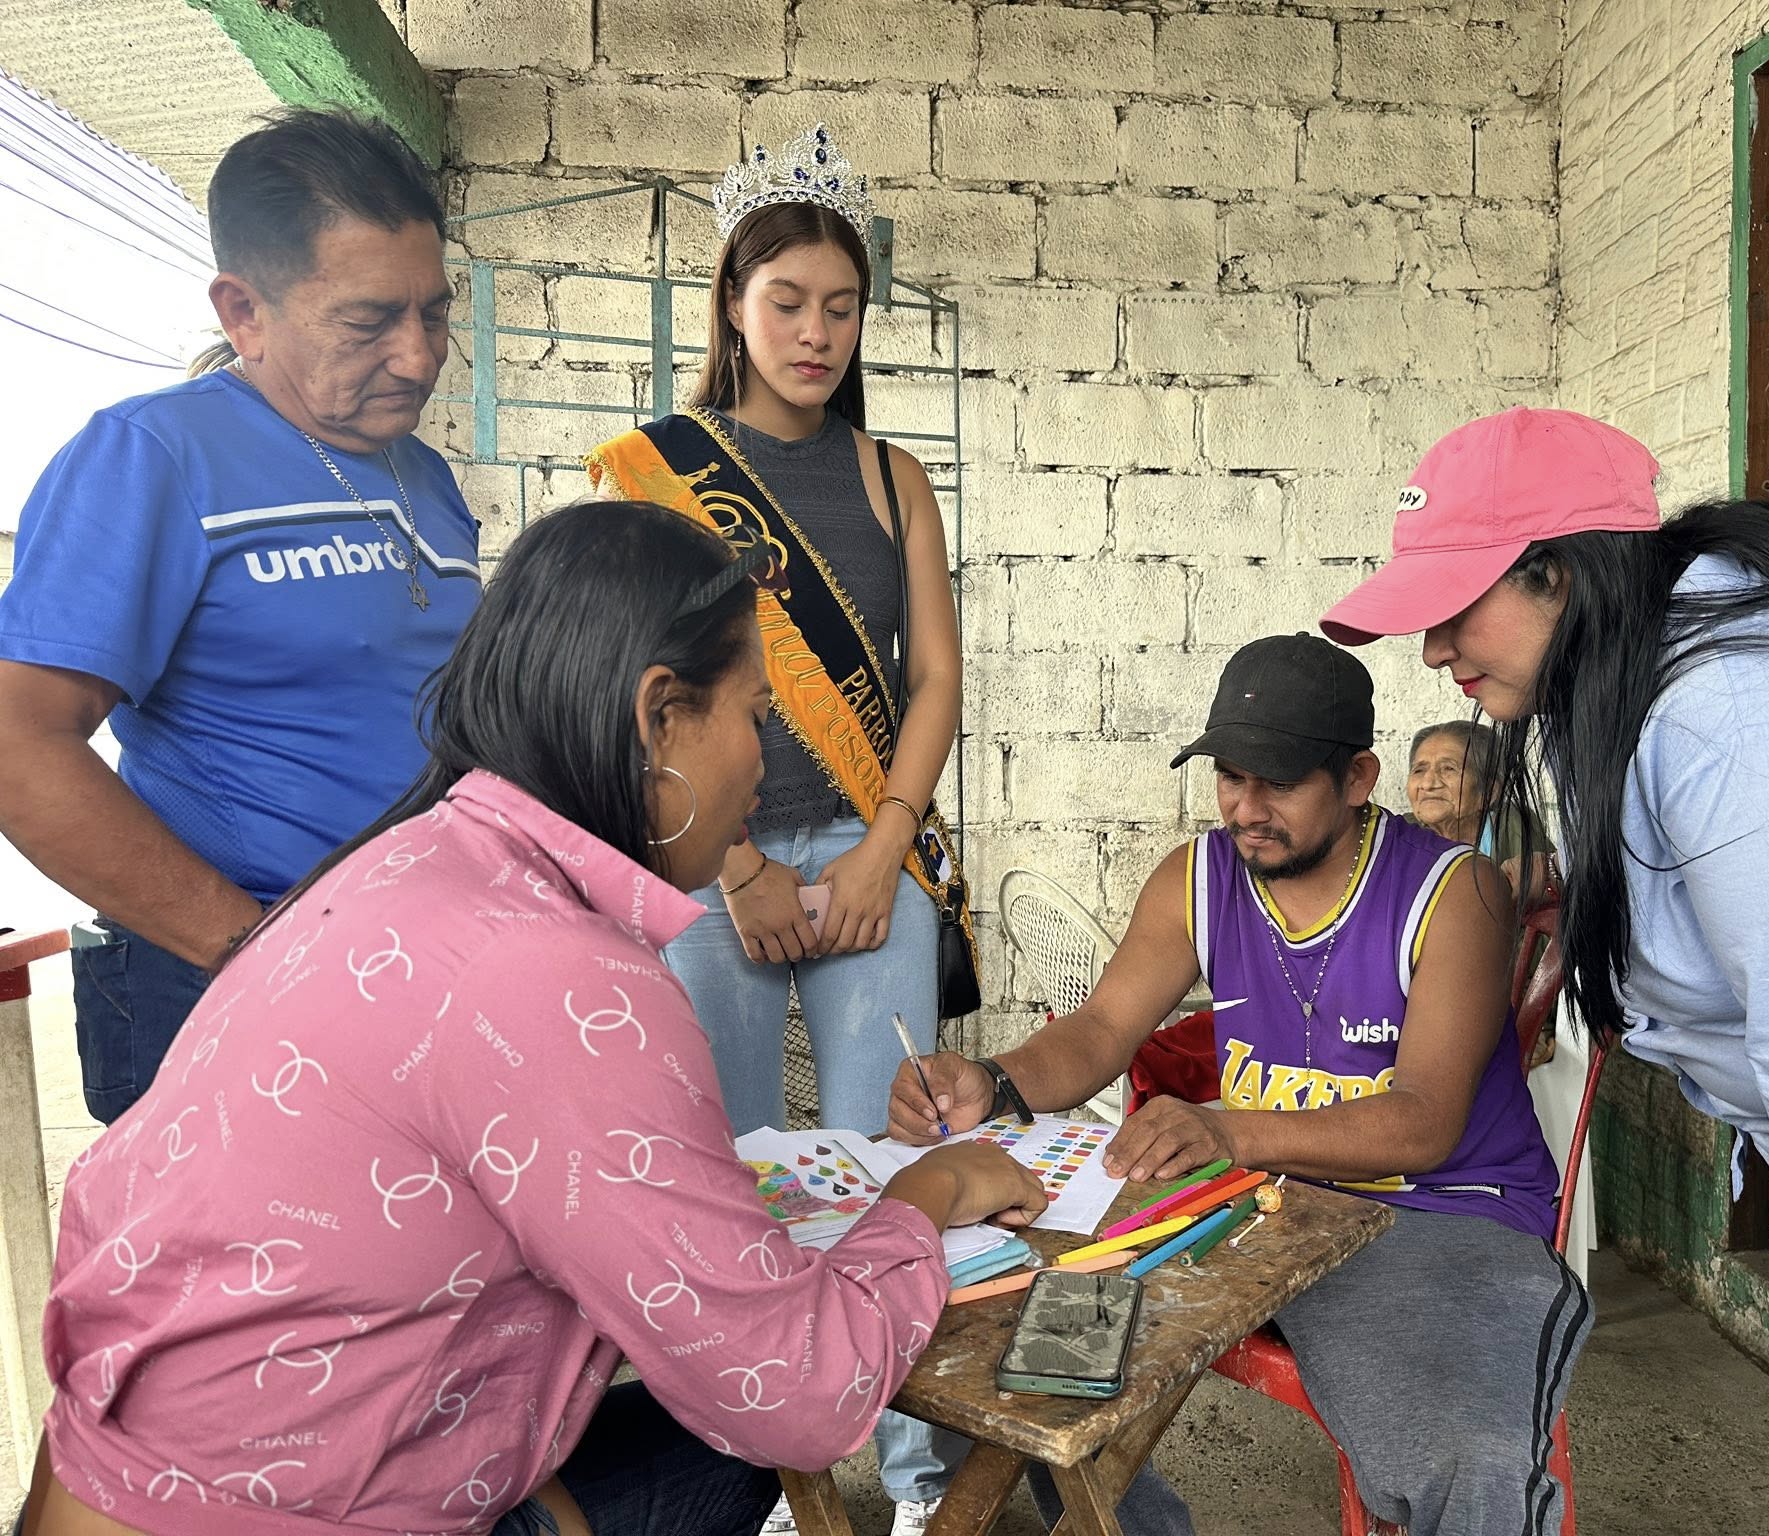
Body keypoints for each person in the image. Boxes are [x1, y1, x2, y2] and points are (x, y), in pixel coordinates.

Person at [17, 500, 1044, 1536]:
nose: (764, 763)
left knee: (702, 1454)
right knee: (736, 1446)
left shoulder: (401, 858)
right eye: (756, 717)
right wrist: (929, 1192)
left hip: (115, 1464)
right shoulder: (567, 976)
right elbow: (794, 1391)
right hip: (259, 1510)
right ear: (659, 715)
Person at [1321, 404, 1769, 1536]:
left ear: (1562, 573)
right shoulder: (1634, 673)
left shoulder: (1748, 711)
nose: (1431, 650)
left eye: (1453, 607)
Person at [889, 633, 1589, 1536]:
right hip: (1261, 1202)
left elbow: (1423, 1123)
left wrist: (1226, 1131)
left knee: (1461, 1457)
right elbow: (1102, 1029)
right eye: (1230, 777)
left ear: (1358, 778)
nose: (1246, 810)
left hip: (1438, 1211)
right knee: (1031, 1344)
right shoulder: (1199, 877)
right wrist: (991, 1080)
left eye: (1279, 783)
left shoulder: (1454, 892)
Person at [586, 124, 974, 1536]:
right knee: (727, 1179)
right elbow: (633, 690)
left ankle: (930, 1477)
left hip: (875, 858)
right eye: (788, 301)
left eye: (842, 307)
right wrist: (740, 866)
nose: (816, 333)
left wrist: (881, 848)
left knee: (899, 1169)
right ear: (732, 306)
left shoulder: (892, 475)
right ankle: (754, 1478)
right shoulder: (653, 473)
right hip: (710, 869)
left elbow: (934, 679)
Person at [0, 109, 479, 1125]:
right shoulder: (154, 458)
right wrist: (252, 946)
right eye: (368, 321)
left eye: (434, 314)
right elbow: (16, 741)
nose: (417, 357)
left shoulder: (426, 478)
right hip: (223, 978)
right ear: (244, 311)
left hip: (409, 968)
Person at [1404, 719, 1555, 899]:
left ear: (1489, 791)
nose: (1428, 784)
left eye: (1448, 769)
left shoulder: (1513, 827)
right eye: (1419, 770)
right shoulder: (1400, 834)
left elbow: (1542, 899)